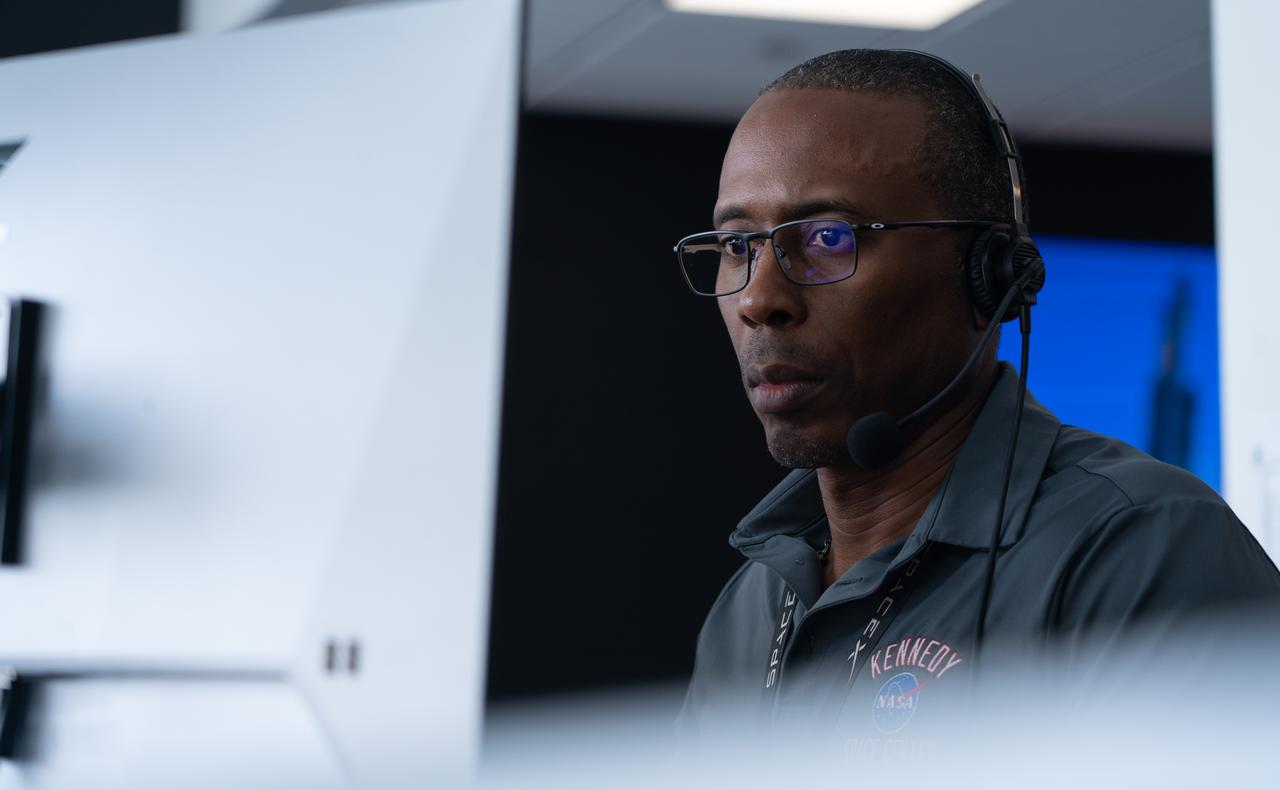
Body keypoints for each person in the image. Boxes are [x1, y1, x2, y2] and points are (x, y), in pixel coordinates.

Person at [673, 49, 1280, 742]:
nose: (758, 298)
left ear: (986, 274)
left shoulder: (1143, 549)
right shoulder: (753, 605)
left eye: (828, 237)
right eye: (737, 245)